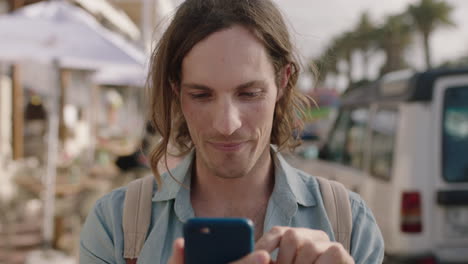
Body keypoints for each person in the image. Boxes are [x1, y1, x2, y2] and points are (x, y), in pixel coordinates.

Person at [80, 0, 384, 263]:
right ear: (176, 90)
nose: (227, 125)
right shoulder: (116, 224)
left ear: (283, 81)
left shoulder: (349, 223)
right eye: (201, 95)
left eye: (249, 93)